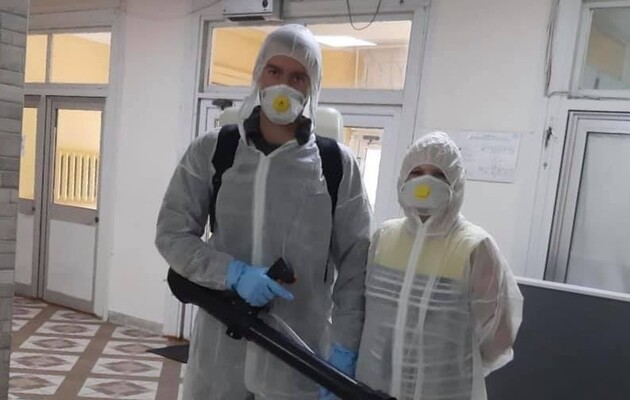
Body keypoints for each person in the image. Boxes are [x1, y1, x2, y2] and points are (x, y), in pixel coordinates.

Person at [155, 24, 371, 400]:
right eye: (275, 71)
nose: (284, 85)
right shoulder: (214, 151)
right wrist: (232, 274)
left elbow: (356, 265)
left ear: (312, 86)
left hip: (299, 357)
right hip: (221, 352)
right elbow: (172, 234)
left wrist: (344, 352)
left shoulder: (336, 166)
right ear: (259, 74)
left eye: (298, 76)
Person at [355, 131, 523, 400]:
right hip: (374, 386)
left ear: (456, 183)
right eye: (416, 172)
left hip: (446, 390)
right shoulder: (384, 238)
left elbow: (498, 336)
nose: (425, 183)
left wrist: (454, 363)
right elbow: (366, 314)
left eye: (438, 175)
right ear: (403, 179)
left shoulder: (473, 246)